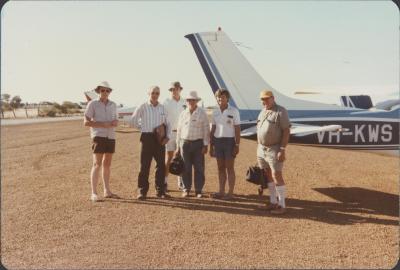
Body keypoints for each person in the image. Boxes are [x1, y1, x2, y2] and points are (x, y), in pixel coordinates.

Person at [130, 86, 171, 199]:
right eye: (153, 92)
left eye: (157, 93)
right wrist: (142, 127)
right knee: (144, 165)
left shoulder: (163, 108)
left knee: (161, 166)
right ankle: (142, 191)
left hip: (160, 139)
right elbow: (133, 121)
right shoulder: (143, 106)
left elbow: (168, 123)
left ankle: (160, 191)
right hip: (146, 137)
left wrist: (168, 136)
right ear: (149, 93)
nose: (155, 95)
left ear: (159, 94)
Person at [84, 81, 120, 202]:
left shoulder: (113, 105)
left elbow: (116, 120)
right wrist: (101, 124)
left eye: (107, 90)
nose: (105, 92)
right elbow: (86, 122)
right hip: (98, 136)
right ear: (98, 90)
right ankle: (94, 193)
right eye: (103, 90)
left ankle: (107, 190)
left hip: (111, 136)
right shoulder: (92, 104)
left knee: (107, 164)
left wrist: (115, 122)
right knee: (97, 164)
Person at [256, 90, 290, 214]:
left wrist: (282, 149)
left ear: (273, 98)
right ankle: (272, 202)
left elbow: (286, 131)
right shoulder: (262, 112)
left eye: (267, 99)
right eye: (262, 99)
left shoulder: (280, 111)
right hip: (261, 148)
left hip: (274, 148)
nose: (264, 101)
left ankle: (282, 205)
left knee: (277, 175)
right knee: (267, 174)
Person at [175, 91, 210, 198]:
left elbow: (206, 129)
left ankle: (198, 190)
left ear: (196, 101)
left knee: (199, 168)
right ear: (187, 101)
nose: (191, 102)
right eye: (189, 100)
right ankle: (186, 189)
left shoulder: (202, 113)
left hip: (198, 144)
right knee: (186, 168)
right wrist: (177, 147)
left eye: (193, 100)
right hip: (184, 143)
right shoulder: (183, 113)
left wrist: (205, 145)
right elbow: (179, 130)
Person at [209, 89, 241, 200]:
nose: (220, 99)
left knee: (230, 168)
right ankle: (221, 191)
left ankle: (230, 193)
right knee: (220, 168)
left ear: (227, 98)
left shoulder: (234, 111)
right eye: (218, 97)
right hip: (218, 142)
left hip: (229, 142)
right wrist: (211, 145)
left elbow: (237, 129)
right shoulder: (215, 111)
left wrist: (237, 144)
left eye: (222, 97)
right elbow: (213, 129)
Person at [163, 81, 186, 191]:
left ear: (180, 89)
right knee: (168, 158)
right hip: (170, 133)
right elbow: (162, 118)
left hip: (182, 134)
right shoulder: (166, 102)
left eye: (176, 89)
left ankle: (180, 181)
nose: (174, 91)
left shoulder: (185, 102)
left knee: (181, 158)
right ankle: (165, 182)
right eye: (172, 89)